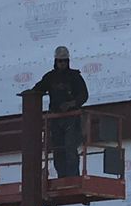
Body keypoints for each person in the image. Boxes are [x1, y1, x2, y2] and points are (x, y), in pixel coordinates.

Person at [26, 45, 89, 178]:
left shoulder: (74, 77)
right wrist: (29, 95)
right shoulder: (50, 77)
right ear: (56, 61)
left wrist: (71, 104)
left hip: (71, 118)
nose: (62, 63)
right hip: (56, 119)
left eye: (65, 61)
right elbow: (38, 89)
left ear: (68, 61)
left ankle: (72, 178)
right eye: (60, 61)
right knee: (58, 149)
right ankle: (62, 178)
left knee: (70, 148)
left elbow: (84, 95)